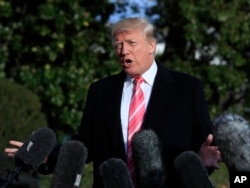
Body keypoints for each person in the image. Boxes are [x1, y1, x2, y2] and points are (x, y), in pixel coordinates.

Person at [5, 17, 221, 187]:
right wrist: (46, 157)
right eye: (118, 45)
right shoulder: (100, 91)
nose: (123, 50)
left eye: (131, 43)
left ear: (151, 46)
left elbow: (204, 143)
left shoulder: (187, 87)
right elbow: (85, 144)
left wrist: (201, 161)